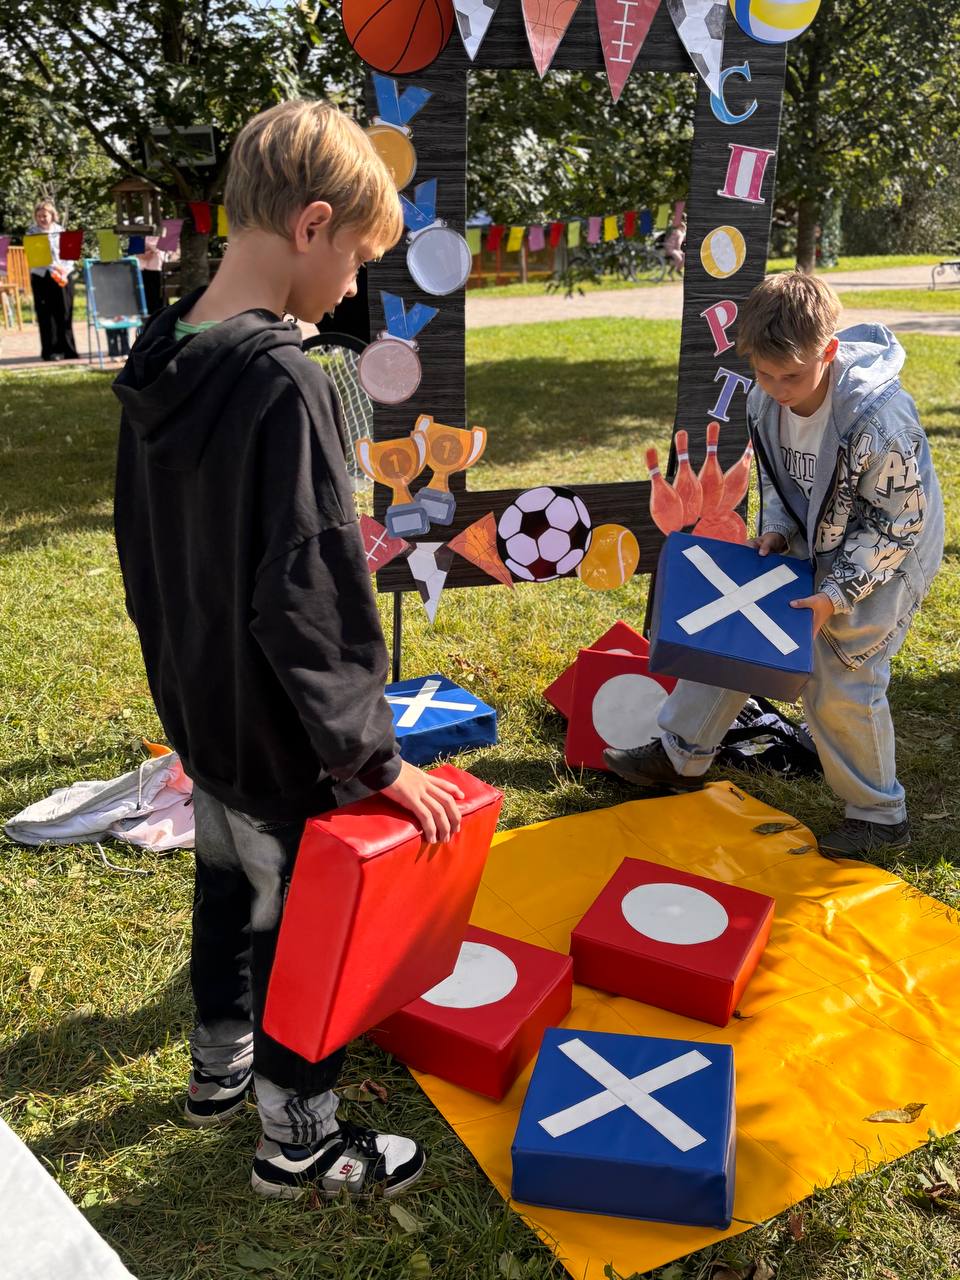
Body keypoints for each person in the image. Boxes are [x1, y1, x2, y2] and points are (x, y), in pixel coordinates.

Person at [112, 100, 464, 1201]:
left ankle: (217, 1071)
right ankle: (300, 1138)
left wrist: (176, 671)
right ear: (313, 226)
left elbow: (140, 543)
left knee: (225, 885)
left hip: (201, 707)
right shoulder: (285, 383)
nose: (355, 291)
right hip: (278, 731)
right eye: (358, 260)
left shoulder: (167, 351)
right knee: (295, 929)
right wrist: (376, 757)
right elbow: (312, 591)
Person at [606, 272, 944, 858]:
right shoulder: (764, 398)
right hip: (817, 532)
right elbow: (781, 481)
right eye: (765, 373)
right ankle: (681, 755)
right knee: (737, 629)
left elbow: (896, 524)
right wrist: (779, 531)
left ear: (829, 352)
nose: (779, 388)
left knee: (841, 675)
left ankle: (880, 815)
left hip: (889, 553)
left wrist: (836, 596)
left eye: (793, 375)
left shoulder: (879, 421)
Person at [27, 199, 78, 361]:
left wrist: (64, 271)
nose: (42, 218)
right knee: (46, 315)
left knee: (64, 312)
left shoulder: (62, 231)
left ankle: (69, 350)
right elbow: (37, 257)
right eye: (39, 216)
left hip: (63, 275)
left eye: (45, 215)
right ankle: (51, 351)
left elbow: (70, 256)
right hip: (42, 276)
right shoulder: (31, 233)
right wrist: (54, 268)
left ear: (52, 215)